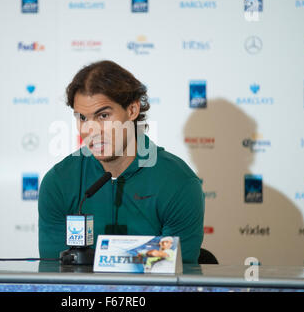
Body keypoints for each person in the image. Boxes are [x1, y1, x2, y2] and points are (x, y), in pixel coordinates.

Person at [38, 60, 205, 264]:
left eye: (103, 116)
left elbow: (176, 277)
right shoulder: (58, 182)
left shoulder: (179, 183)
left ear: (133, 110)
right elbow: (54, 275)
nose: (90, 130)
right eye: (82, 117)